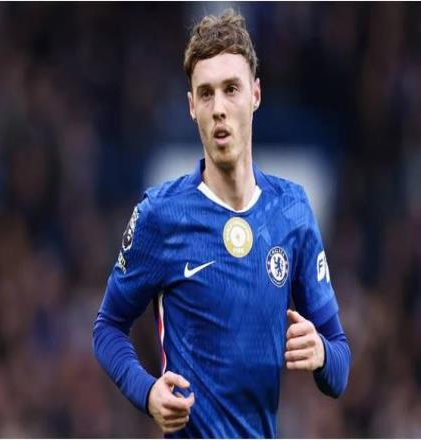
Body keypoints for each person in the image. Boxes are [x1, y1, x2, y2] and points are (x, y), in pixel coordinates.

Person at [93, 9, 351, 438]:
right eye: (206, 93)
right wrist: (147, 392)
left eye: (231, 89)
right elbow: (107, 327)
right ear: (191, 106)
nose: (218, 109)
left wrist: (322, 352)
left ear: (256, 94)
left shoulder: (291, 210)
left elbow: (339, 367)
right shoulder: (161, 215)